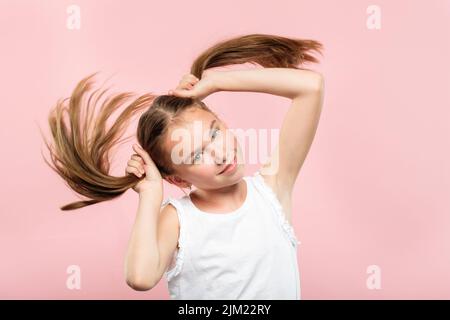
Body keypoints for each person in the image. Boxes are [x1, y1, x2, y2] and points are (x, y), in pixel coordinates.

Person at [41, 33, 325, 299]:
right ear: (177, 179)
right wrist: (150, 197)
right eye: (195, 156)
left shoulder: (272, 190)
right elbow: (140, 277)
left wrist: (217, 83)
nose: (220, 155)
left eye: (214, 133)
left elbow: (311, 87)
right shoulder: (178, 219)